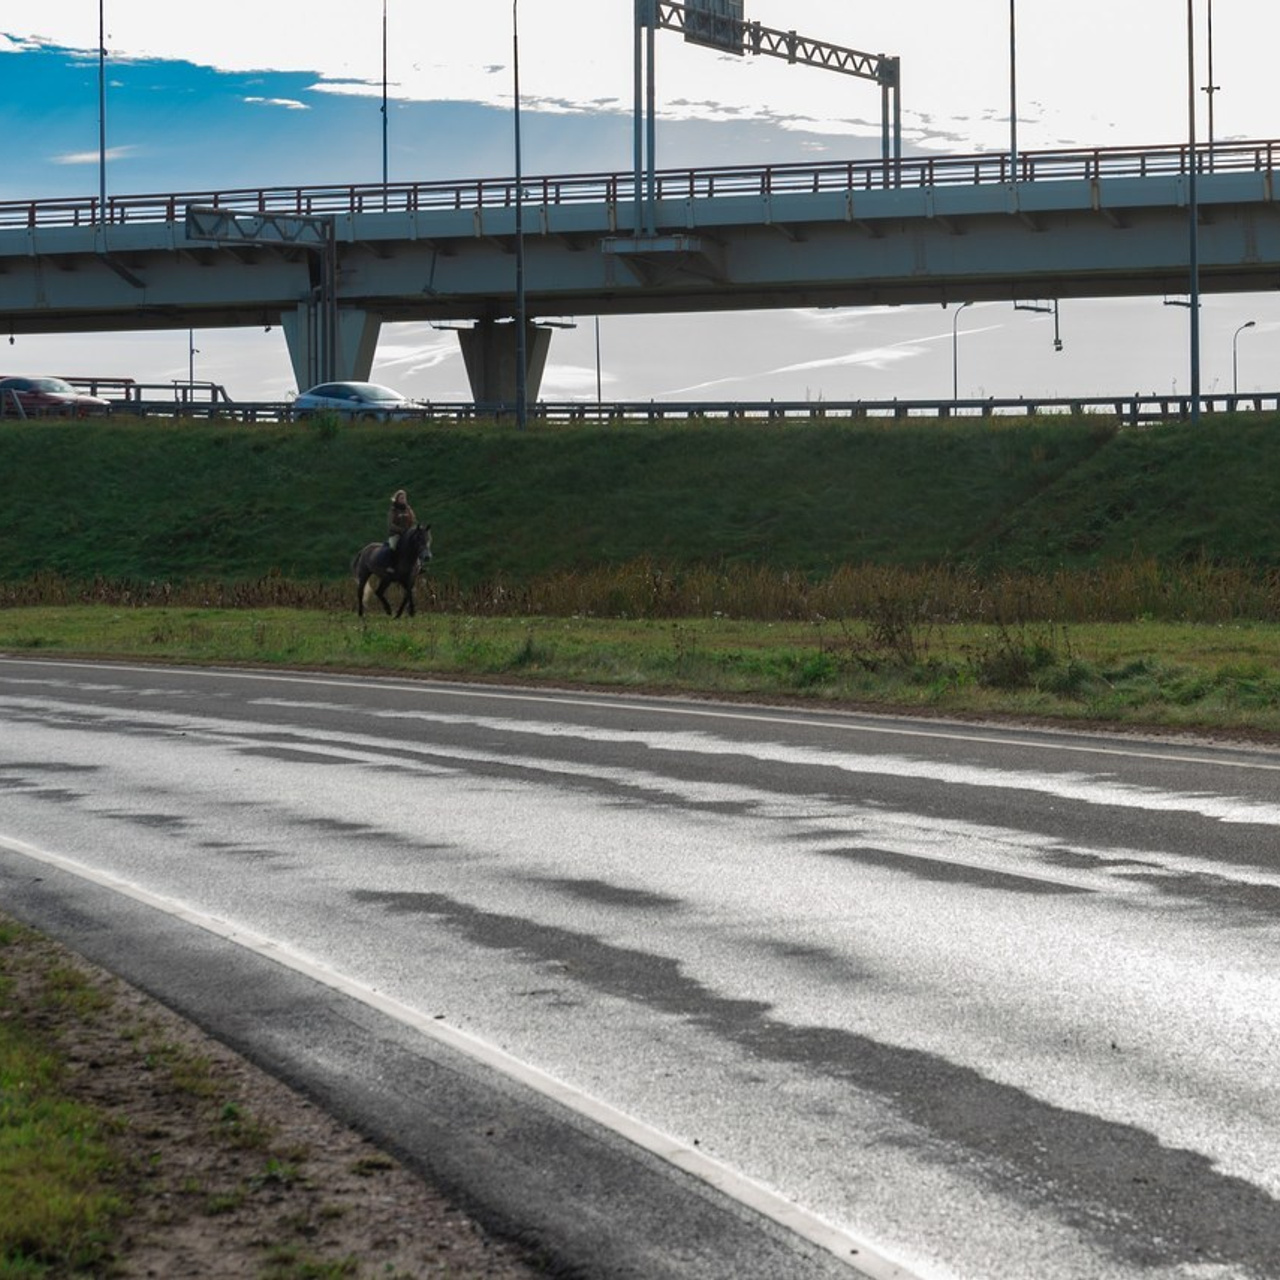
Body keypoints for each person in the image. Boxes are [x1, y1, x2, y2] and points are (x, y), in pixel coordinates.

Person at [386, 488, 416, 553]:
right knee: (392, 548)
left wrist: (411, 530)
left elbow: (413, 520)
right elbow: (391, 525)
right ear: (397, 499)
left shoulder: (408, 509)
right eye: (401, 498)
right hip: (395, 535)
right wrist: (401, 530)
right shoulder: (393, 510)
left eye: (404, 498)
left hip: (408, 534)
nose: (403, 500)